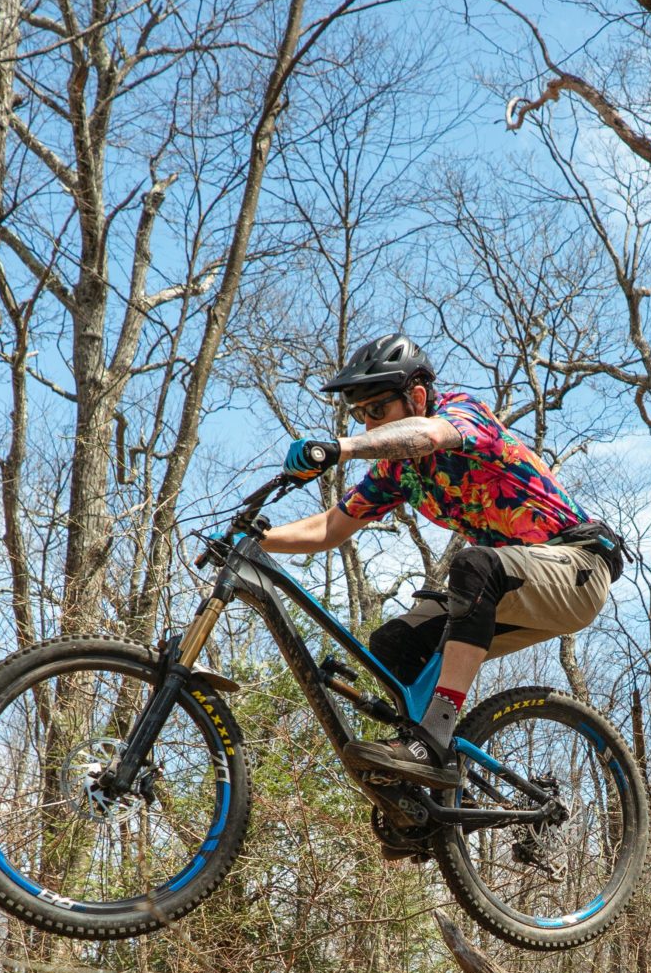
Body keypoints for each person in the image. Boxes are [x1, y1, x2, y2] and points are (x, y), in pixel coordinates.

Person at [258, 332, 623, 788]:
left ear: (416, 396)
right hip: (513, 584)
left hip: (577, 566)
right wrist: (256, 537)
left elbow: (430, 435)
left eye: (377, 411)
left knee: (475, 565)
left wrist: (342, 446)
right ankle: (423, 793)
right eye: (360, 415)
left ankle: (432, 738)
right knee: (394, 643)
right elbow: (331, 528)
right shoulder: (397, 472)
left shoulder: (463, 413)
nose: (369, 425)